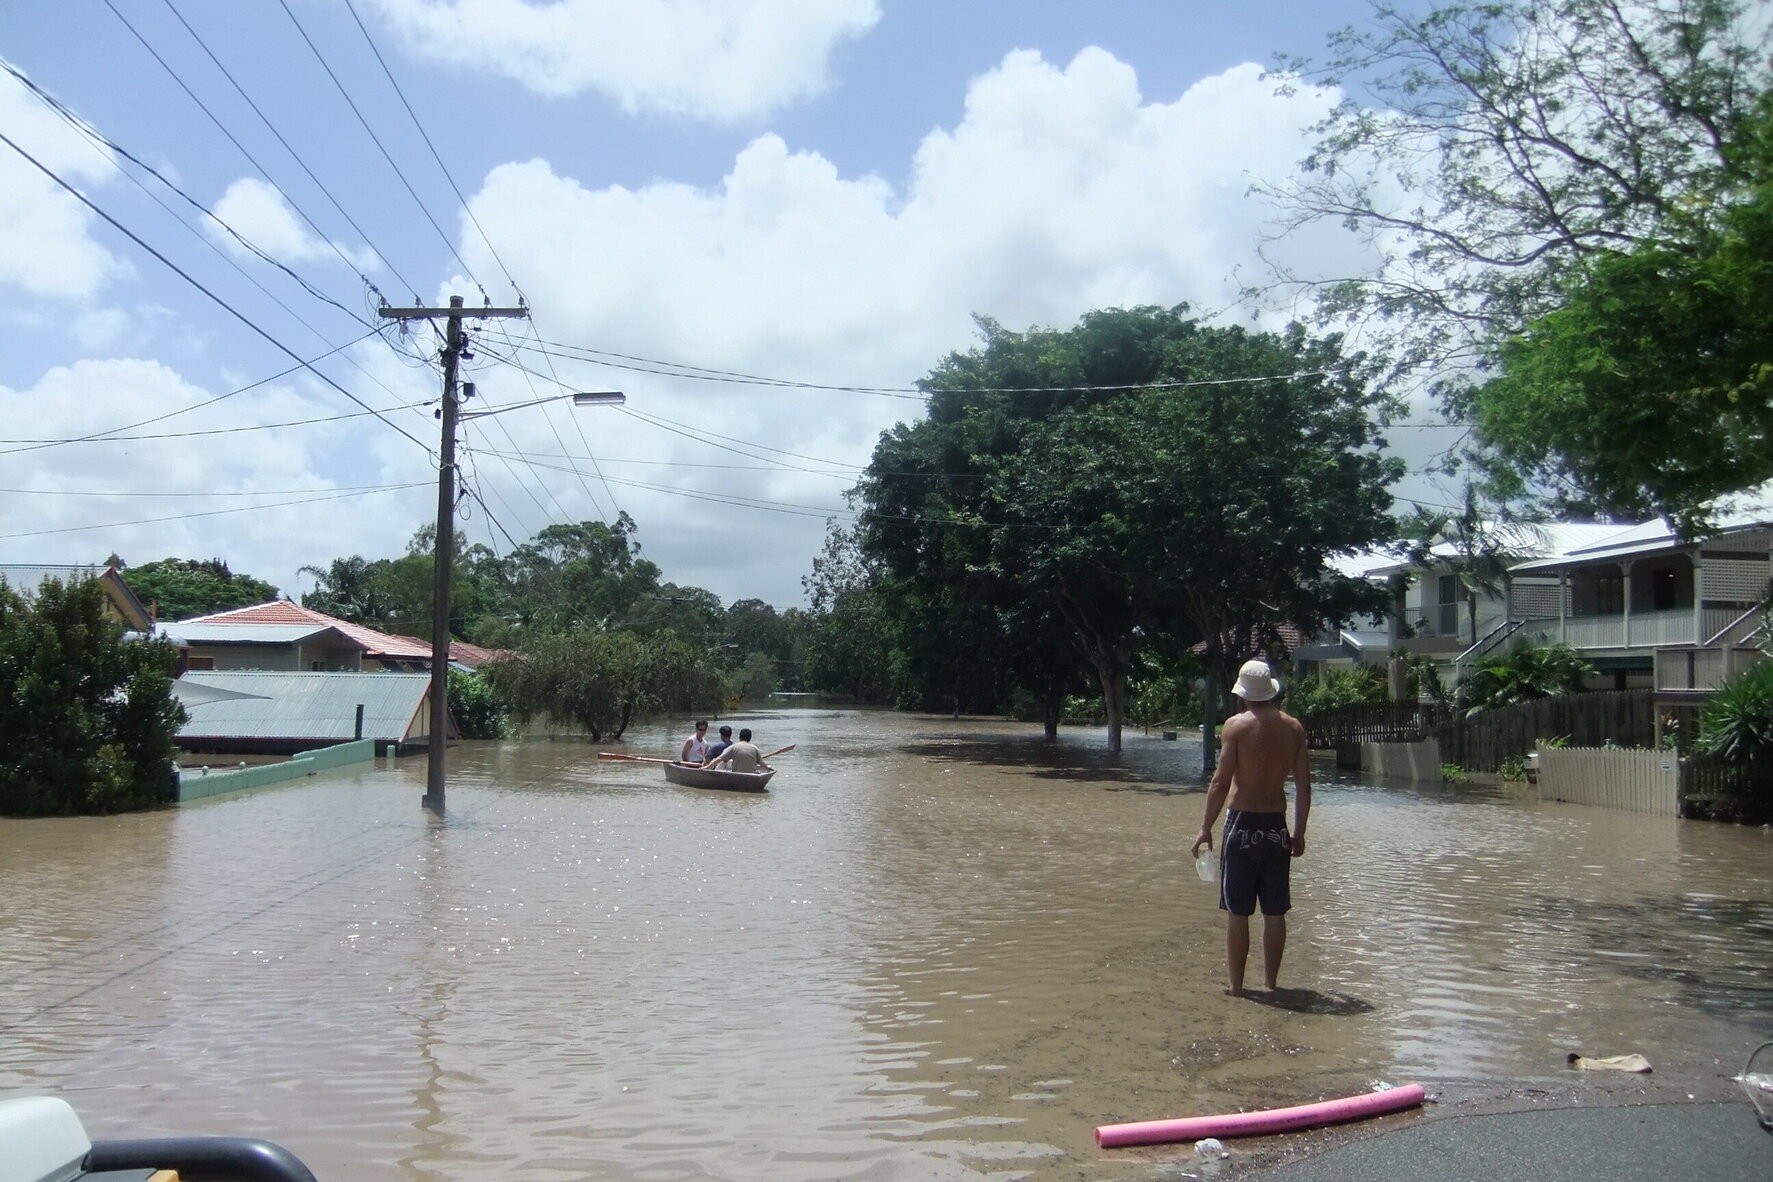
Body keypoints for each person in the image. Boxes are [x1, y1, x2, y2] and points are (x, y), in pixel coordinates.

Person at [1190, 658, 1311, 996]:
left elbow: (1219, 782)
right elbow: (1304, 786)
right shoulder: (1294, 728)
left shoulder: (1236, 726)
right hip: (1276, 828)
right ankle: (1271, 984)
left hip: (1241, 826)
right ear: (1270, 691)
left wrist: (1204, 827)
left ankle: (1238, 988)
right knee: (1275, 912)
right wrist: (1298, 832)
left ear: (1243, 694)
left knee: (1237, 911)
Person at [707, 727, 772, 774]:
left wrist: (707, 767)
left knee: (724, 761)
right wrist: (767, 768)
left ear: (739, 737)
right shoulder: (755, 748)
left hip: (737, 774)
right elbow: (762, 764)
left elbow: (720, 758)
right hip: (752, 774)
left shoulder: (733, 747)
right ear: (750, 738)